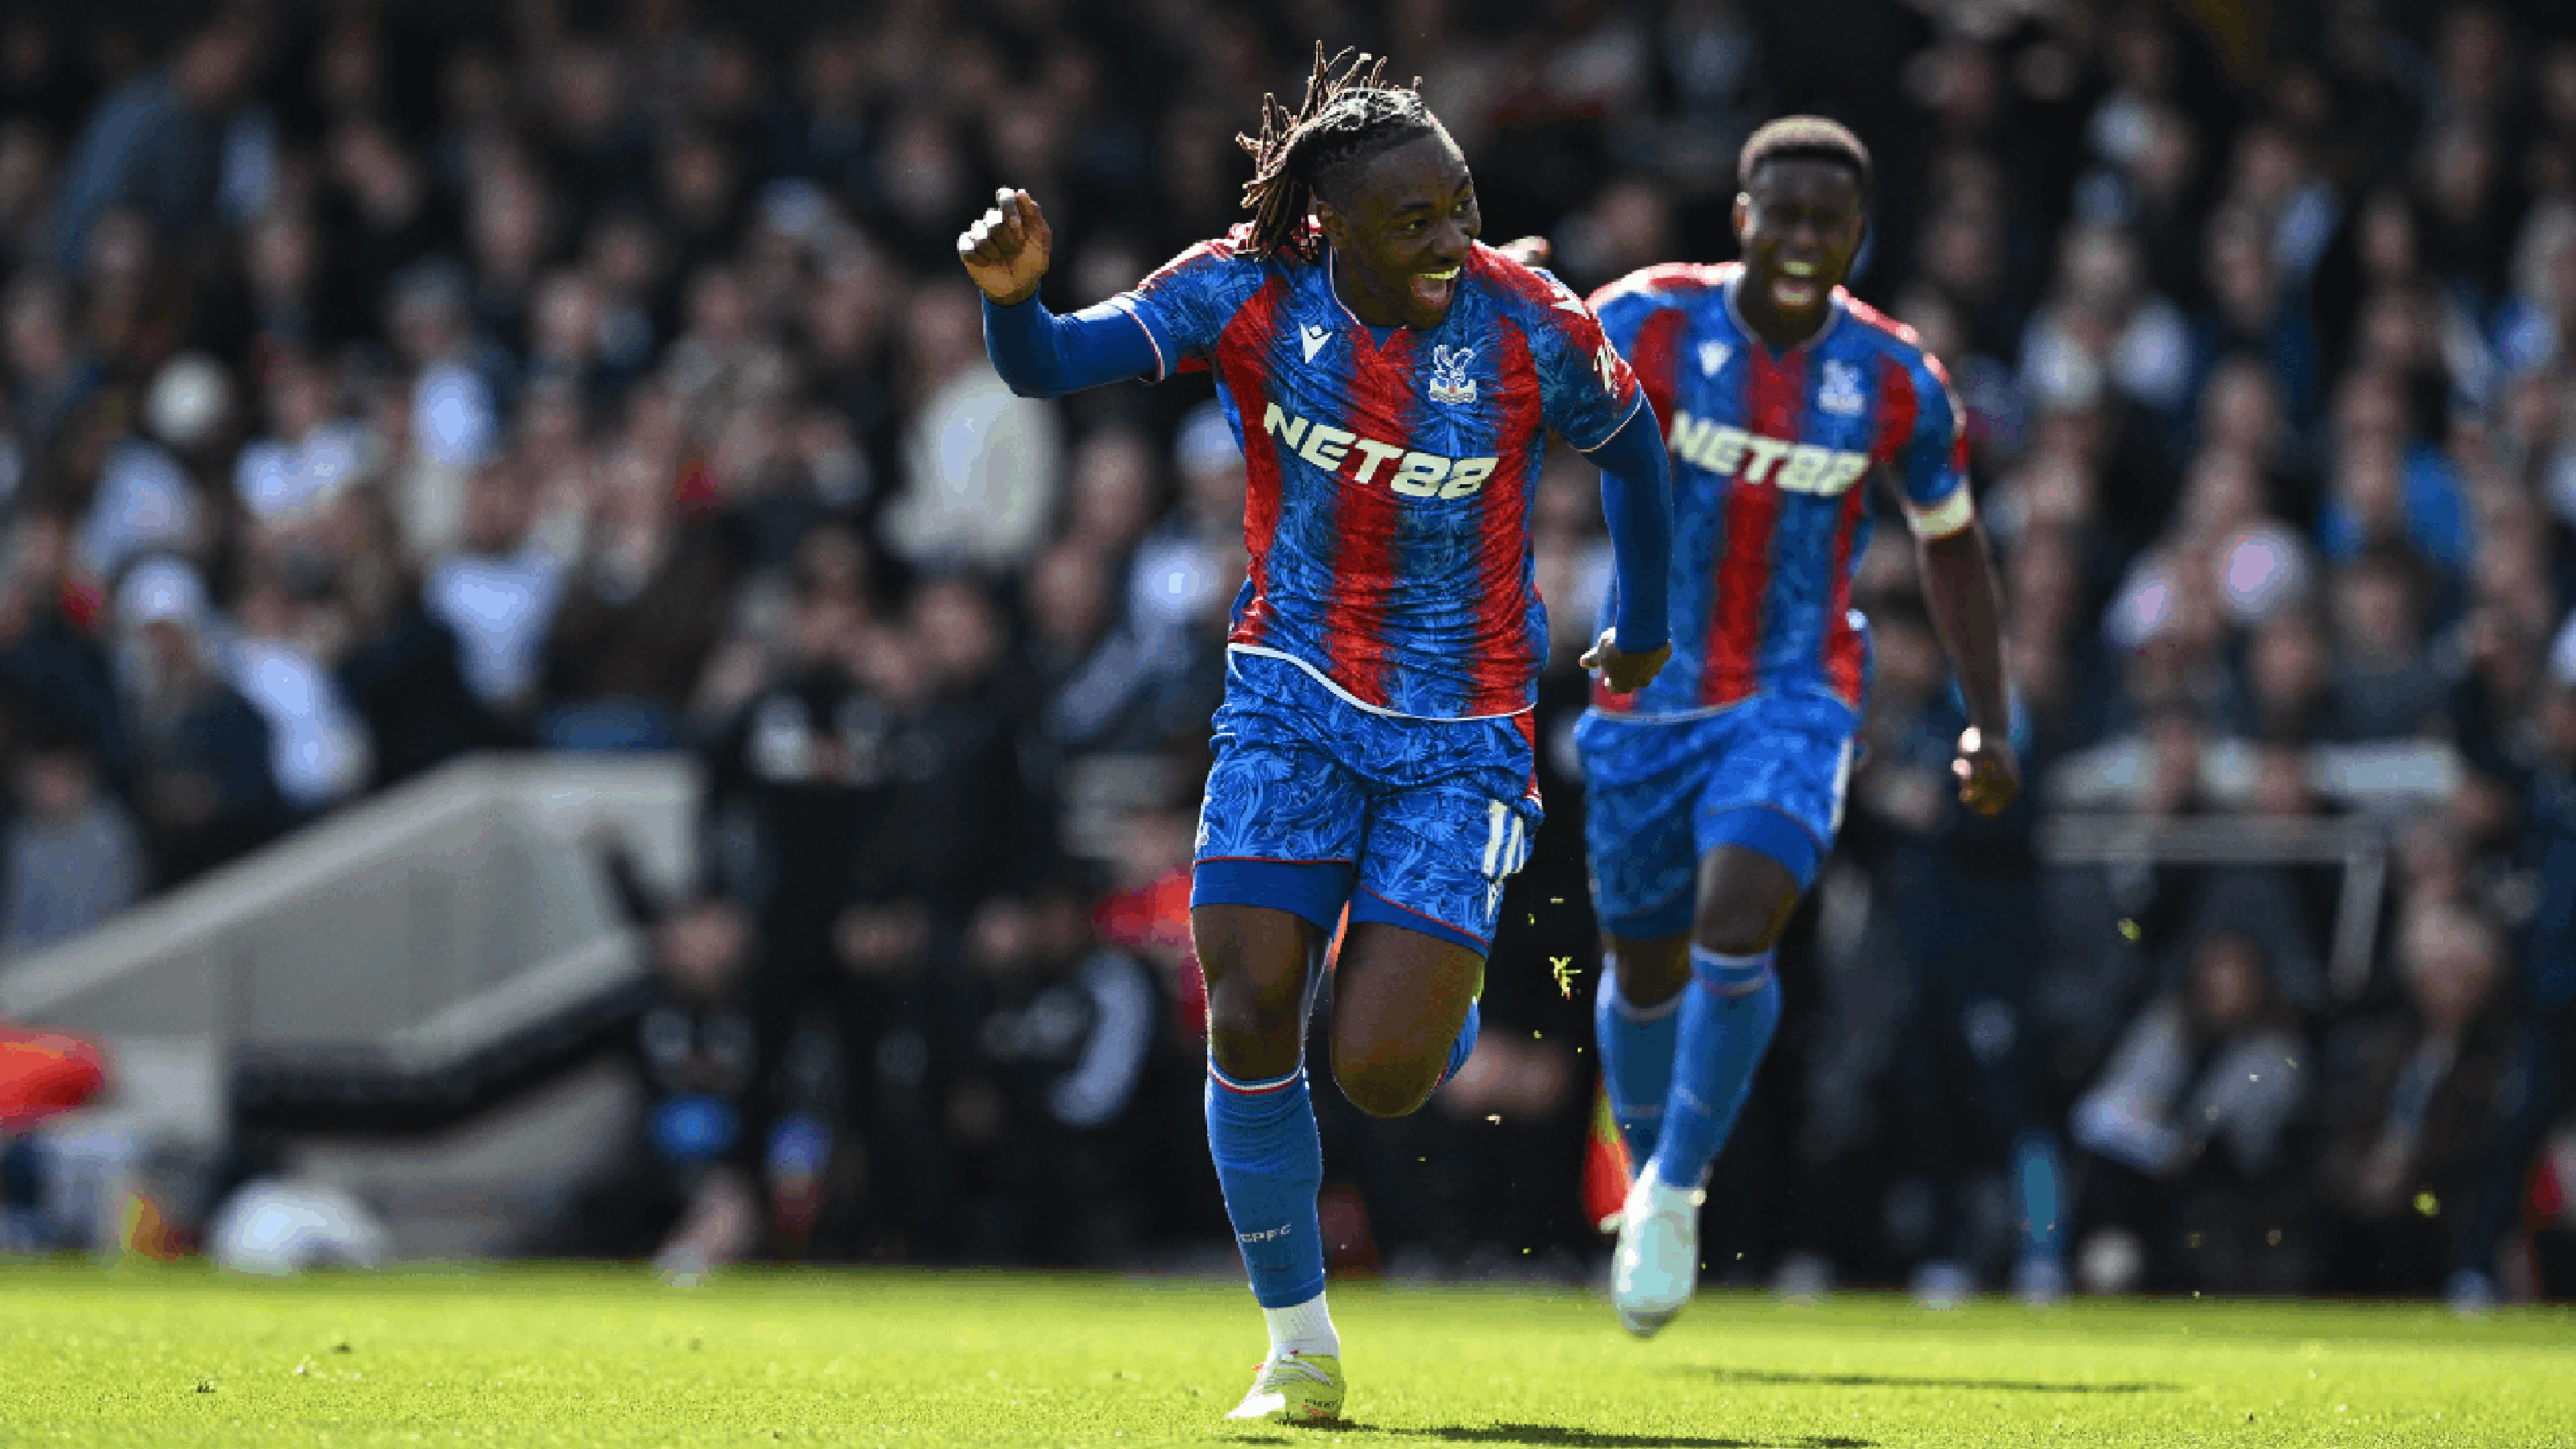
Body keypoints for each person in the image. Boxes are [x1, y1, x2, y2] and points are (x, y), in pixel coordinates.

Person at [956, 47, 1672, 1424]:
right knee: (1248, 999)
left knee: (1385, 1074)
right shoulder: (1243, 288)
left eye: (1462, 208)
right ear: (1324, 229)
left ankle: (1435, 987)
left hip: (1462, 732)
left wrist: (1641, 624)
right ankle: (1299, 1347)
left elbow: (1636, 453)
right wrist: (1011, 301)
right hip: (1289, 702)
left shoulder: (1530, 322)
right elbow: (1048, 366)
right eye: (1418, 222)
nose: (1454, 241)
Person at [1569, 117, 2017, 1334]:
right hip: (1646, 699)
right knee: (1647, 961)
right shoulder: (1652, 320)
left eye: (1834, 221)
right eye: (1788, 214)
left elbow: (1954, 547)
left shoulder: (1894, 379)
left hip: (1796, 691)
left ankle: (1676, 1186)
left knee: (1740, 911)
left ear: (1860, 236)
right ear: (1743, 218)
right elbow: (1526, 379)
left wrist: (1990, 719)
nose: (1807, 239)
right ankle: (1652, 1155)